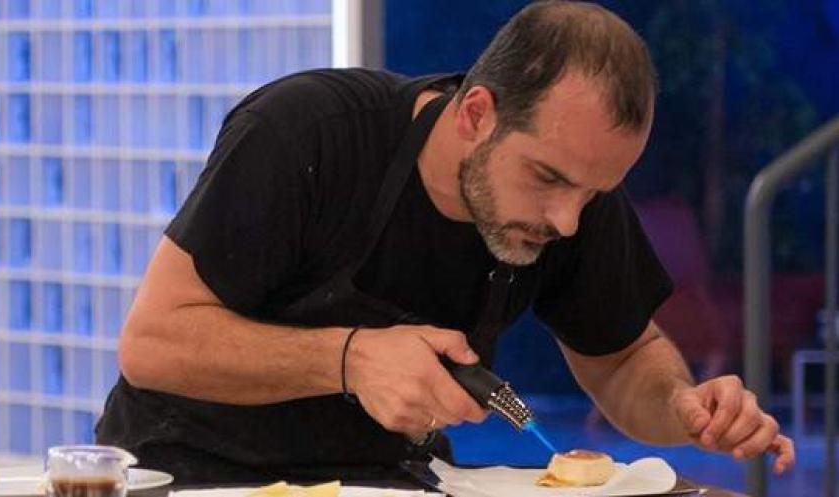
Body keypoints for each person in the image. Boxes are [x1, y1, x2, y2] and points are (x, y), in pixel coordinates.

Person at [96, 0, 796, 484]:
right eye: (547, 178)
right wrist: (350, 358)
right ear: (476, 114)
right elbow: (153, 344)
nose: (567, 222)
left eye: (594, 192)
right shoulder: (306, 133)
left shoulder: (574, 194)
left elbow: (622, 359)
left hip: (385, 481)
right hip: (192, 472)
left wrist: (682, 407)